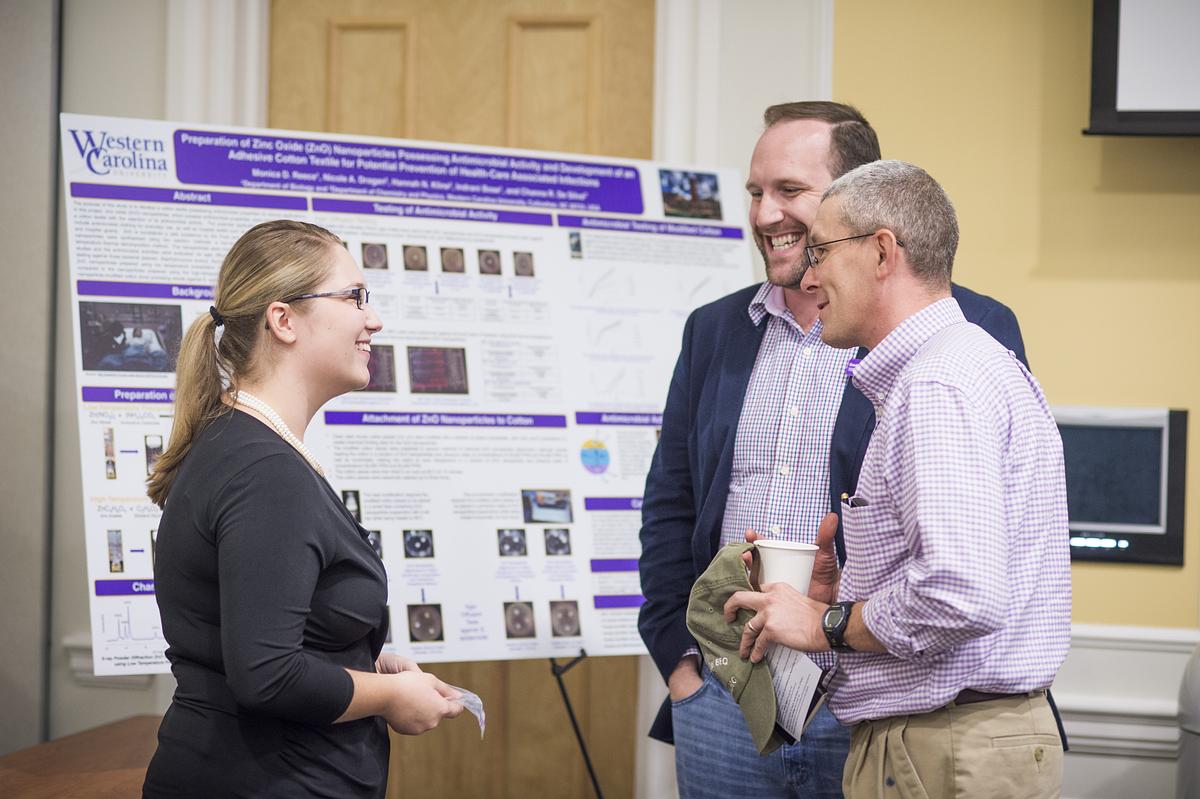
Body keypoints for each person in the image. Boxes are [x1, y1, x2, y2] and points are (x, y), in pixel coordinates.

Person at [637, 101, 1027, 798]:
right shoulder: (713, 330)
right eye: (756, 191)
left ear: (854, 200)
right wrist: (680, 663)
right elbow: (671, 503)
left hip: (880, 702)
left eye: (789, 191)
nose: (762, 214)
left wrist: (833, 625)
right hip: (725, 698)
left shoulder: (960, 333)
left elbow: (981, 543)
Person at [726, 160, 1071, 798]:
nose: (808, 274)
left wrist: (826, 625)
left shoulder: (937, 385)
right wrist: (836, 601)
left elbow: (959, 594)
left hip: (943, 747)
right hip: (942, 740)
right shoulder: (959, 368)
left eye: (822, 250)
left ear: (882, 252)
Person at [143, 220, 463, 798]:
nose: (374, 319)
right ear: (282, 319)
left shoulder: (241, 445)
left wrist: (357, 663)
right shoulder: (265, 473)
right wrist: (390, 696)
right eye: (354, 297)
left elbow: (264, 634)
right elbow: (267, 675)